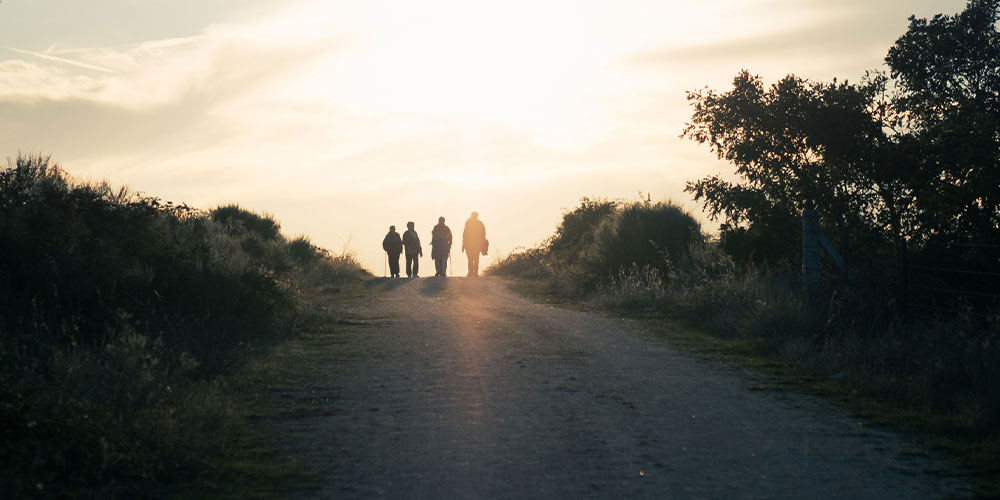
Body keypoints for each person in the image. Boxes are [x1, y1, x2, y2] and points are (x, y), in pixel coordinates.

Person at [462, 211, 487, 277]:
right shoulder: (479, 223)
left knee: (471, 258)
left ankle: (471, 272)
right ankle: (474, 272)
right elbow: (483, 233)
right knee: (475, 258)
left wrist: (464, 244)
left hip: (470, 244)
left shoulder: (468, 222)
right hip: (476, 244)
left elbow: (464, 234)